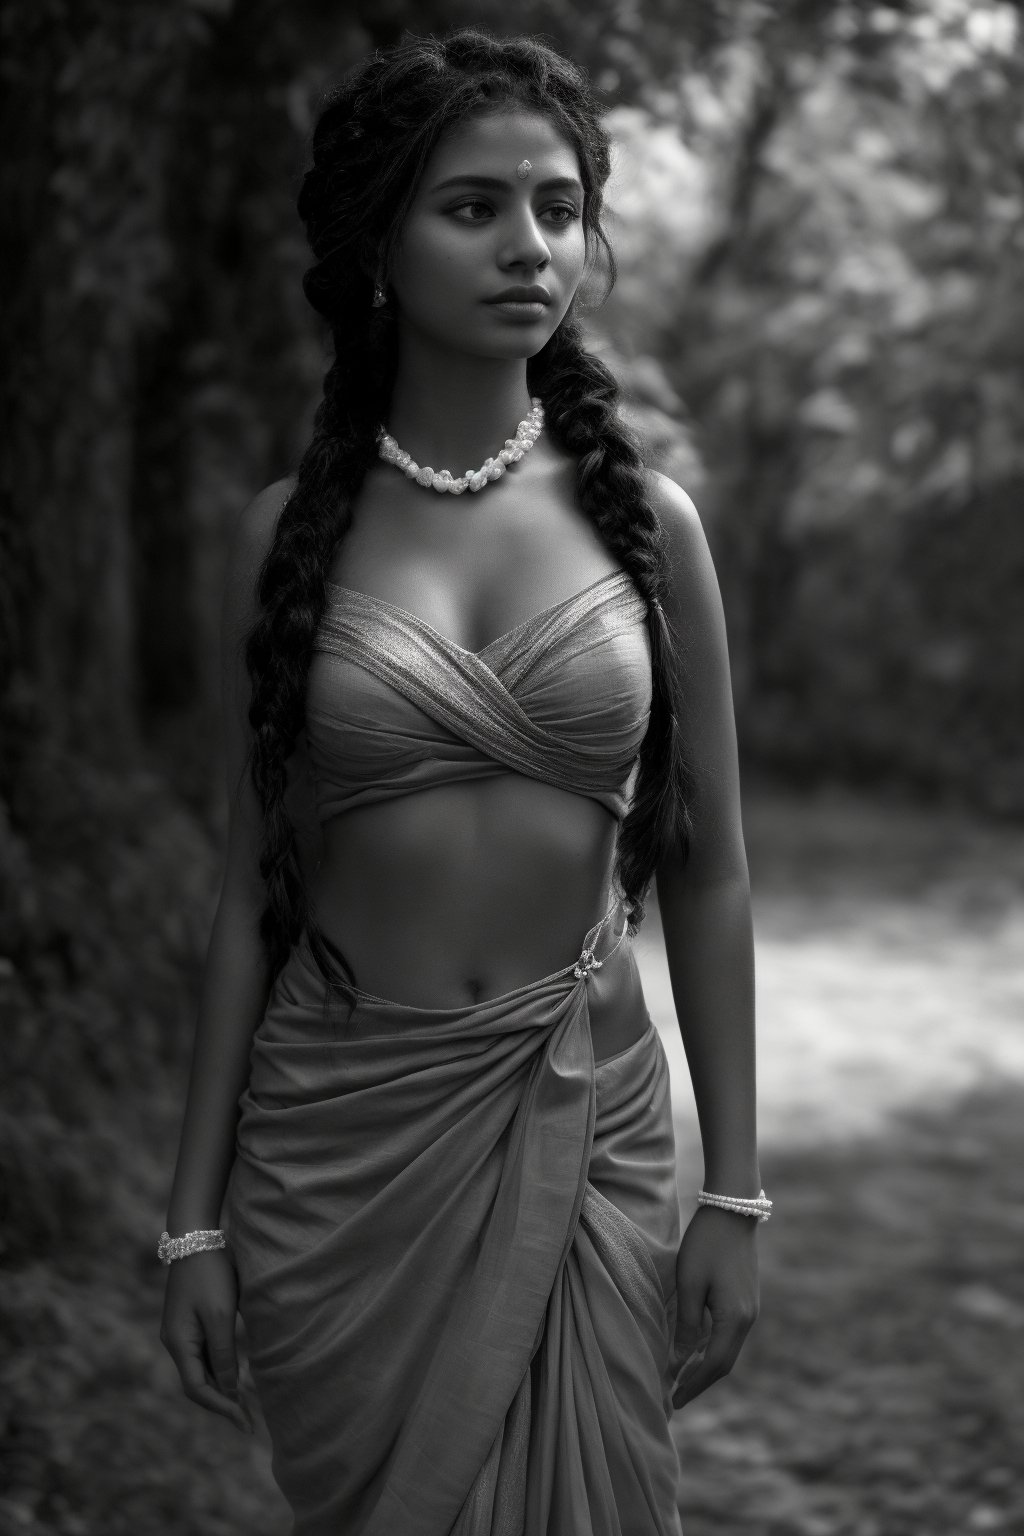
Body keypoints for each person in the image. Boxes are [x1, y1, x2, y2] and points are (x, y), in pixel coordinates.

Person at [160, 28, 765, 1536]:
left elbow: (710, 868)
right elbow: (246, 891)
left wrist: (737, 1193)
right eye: (474, 207)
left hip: (584, 1126)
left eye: (559, 208)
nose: (529, 248)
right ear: (378, 246)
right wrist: (191, 1222)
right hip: (344, 1153)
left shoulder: (652, 528)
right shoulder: (282, 537)